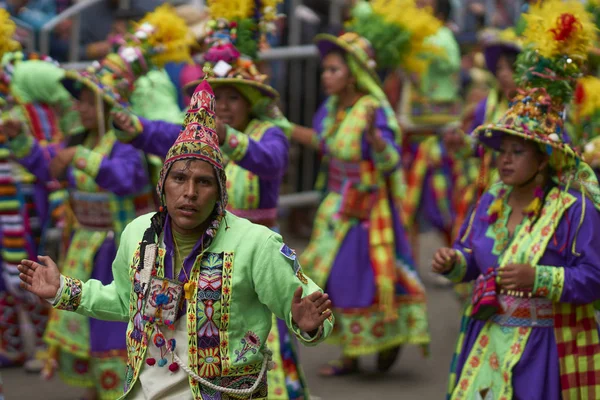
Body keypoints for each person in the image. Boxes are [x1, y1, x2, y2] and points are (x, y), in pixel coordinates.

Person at [17, 79, 334, 400]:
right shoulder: (139, 235)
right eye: (180, 178)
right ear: (162, 185)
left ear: (220, 192)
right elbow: (123, 301)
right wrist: (62, 290)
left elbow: (310, 308)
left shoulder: (257, 243)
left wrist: (308, 323)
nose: (190, 193)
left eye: (204, 182)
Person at [111, 7, 313, 398]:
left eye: (233, 97)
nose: (222, 105)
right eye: (217, 97)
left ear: (250, 101)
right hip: (192, 251)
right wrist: (133, 127)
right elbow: (163, 135)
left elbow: (271, 161)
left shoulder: (269, 132)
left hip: (246, 256)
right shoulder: (198, 139)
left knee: (246, 348)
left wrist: (228, 136)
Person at [434, 2, 600, 398]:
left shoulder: (574, 210)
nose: (504, 160)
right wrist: (455, 262)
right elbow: (472, 256)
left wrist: (537, 278)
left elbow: (593, 278)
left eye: (518, 152)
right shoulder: (491, 200)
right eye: (502, 150)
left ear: (543, 160)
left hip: (543, 352)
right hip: (487, 341)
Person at [269, 0, 438, 376]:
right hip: (336, 206)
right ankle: (349, 353)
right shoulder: (331, 108)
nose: (325, 76)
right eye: (325, 69)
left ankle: (385, 338)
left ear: (353, 74)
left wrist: (377, 141)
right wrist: (279, 124)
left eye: (333, 69)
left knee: (363, 278)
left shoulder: (372, 109)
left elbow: (393, 162)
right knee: (331, 280)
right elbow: (323, 143)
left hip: (368, 212)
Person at [5, 47, 155, 398]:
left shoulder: (126, 142)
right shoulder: (78, 140)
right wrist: (20, 138)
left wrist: (80, 157)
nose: (80, 109)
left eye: (88, 102)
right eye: (79, 102)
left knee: (115, 332)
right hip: (85, 250)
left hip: (119, 252)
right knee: (88, 333)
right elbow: (47, 167)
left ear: (108, 107)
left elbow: (128, 179)